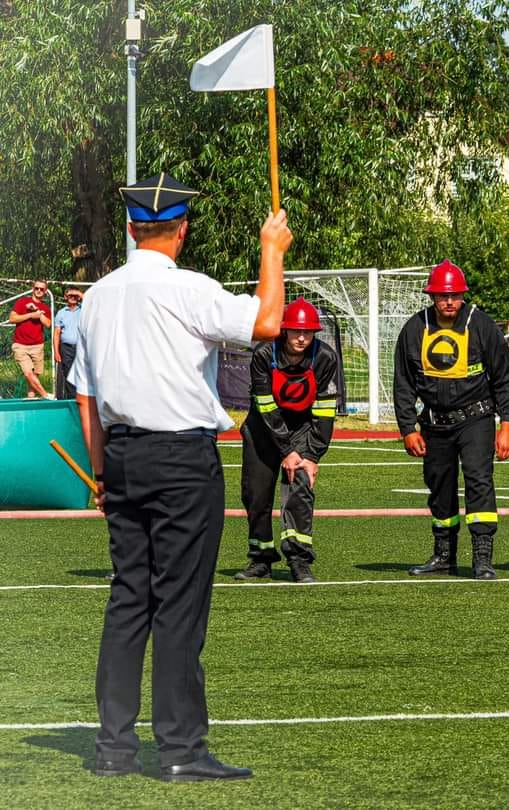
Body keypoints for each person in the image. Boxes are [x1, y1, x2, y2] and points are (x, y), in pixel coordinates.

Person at [71, 172, 293, 780]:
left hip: (121, 455)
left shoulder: (96, 297)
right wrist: (270, 251)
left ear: (131, 228)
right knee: (178, 606)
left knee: (127, 602)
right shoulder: (190, 289)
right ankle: (181, 749)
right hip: (179, 460)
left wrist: (100, 473)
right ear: (182, 230)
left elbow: (86, 399)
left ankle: (113, 747)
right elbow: (268, 322)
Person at [393, 260, 509, 579]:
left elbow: (506, 377)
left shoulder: (481, 324)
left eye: (454, 295)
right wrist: (408, 428)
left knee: (479, 482)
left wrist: (507, 425)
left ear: (463, 295)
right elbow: (403, 383)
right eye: (441, 296)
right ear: (431, 296)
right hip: (433, 424)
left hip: (476, 419)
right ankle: (444, 555)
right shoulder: (414, 328)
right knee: (439, 486)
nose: (448, 302)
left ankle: (482, 557)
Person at [235, 297, 339, 584]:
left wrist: (313, 455)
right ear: (284, 330)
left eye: (308, 332)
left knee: (300, 489)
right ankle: (261, 559)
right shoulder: (263, 354)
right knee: (256, 495)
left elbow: (325, 411)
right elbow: (266, 407)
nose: (302, 337)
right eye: (295, 331)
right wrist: (286, 450)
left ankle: (299, 560)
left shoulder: (326, 358)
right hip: (262, 430)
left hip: (303, 430)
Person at [8, 278, 54, 399]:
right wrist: (30, 315)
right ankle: (45, 394)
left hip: (37, 346)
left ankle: (31, 399)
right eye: (36, 288)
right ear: (33, 289)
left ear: (45, 291)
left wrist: (37, 311)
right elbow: (12, 319)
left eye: (42, 289)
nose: (39, 290)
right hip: (20, 345)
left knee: (35, 375)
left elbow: (48, 324)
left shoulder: (45, 308)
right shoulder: (22, 302)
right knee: (28, 373)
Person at [52, 286, 82, 399]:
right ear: (65, 297)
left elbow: (90, 302)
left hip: (81, 347)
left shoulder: (84, 309)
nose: (73, 297)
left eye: (75, 296)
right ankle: (72, 399)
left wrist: (78, 292)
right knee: (69, 374)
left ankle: (82, 397)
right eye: (70, 295)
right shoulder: (61, 313)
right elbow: (56, 333)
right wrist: (56, 352)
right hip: (66, 348)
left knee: (81, 373)